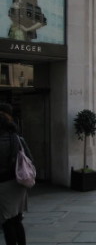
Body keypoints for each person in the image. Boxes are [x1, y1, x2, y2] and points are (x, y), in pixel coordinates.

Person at [0, 103, 33, 245]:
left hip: (4, 185)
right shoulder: (18, 138)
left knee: (7, 222)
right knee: (17, 220)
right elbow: (30, 160)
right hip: (19, 183)